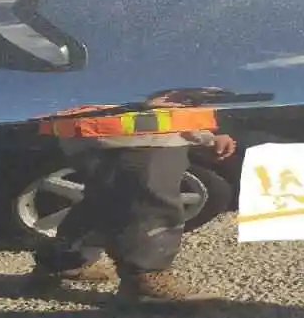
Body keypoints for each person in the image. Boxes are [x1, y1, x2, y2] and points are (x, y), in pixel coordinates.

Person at [25, 88, 237, 303]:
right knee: (148, 204)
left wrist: (207, 132)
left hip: (111, 130)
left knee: (106, 200)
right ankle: (146, 280)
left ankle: (64, 260)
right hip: (131, 133)